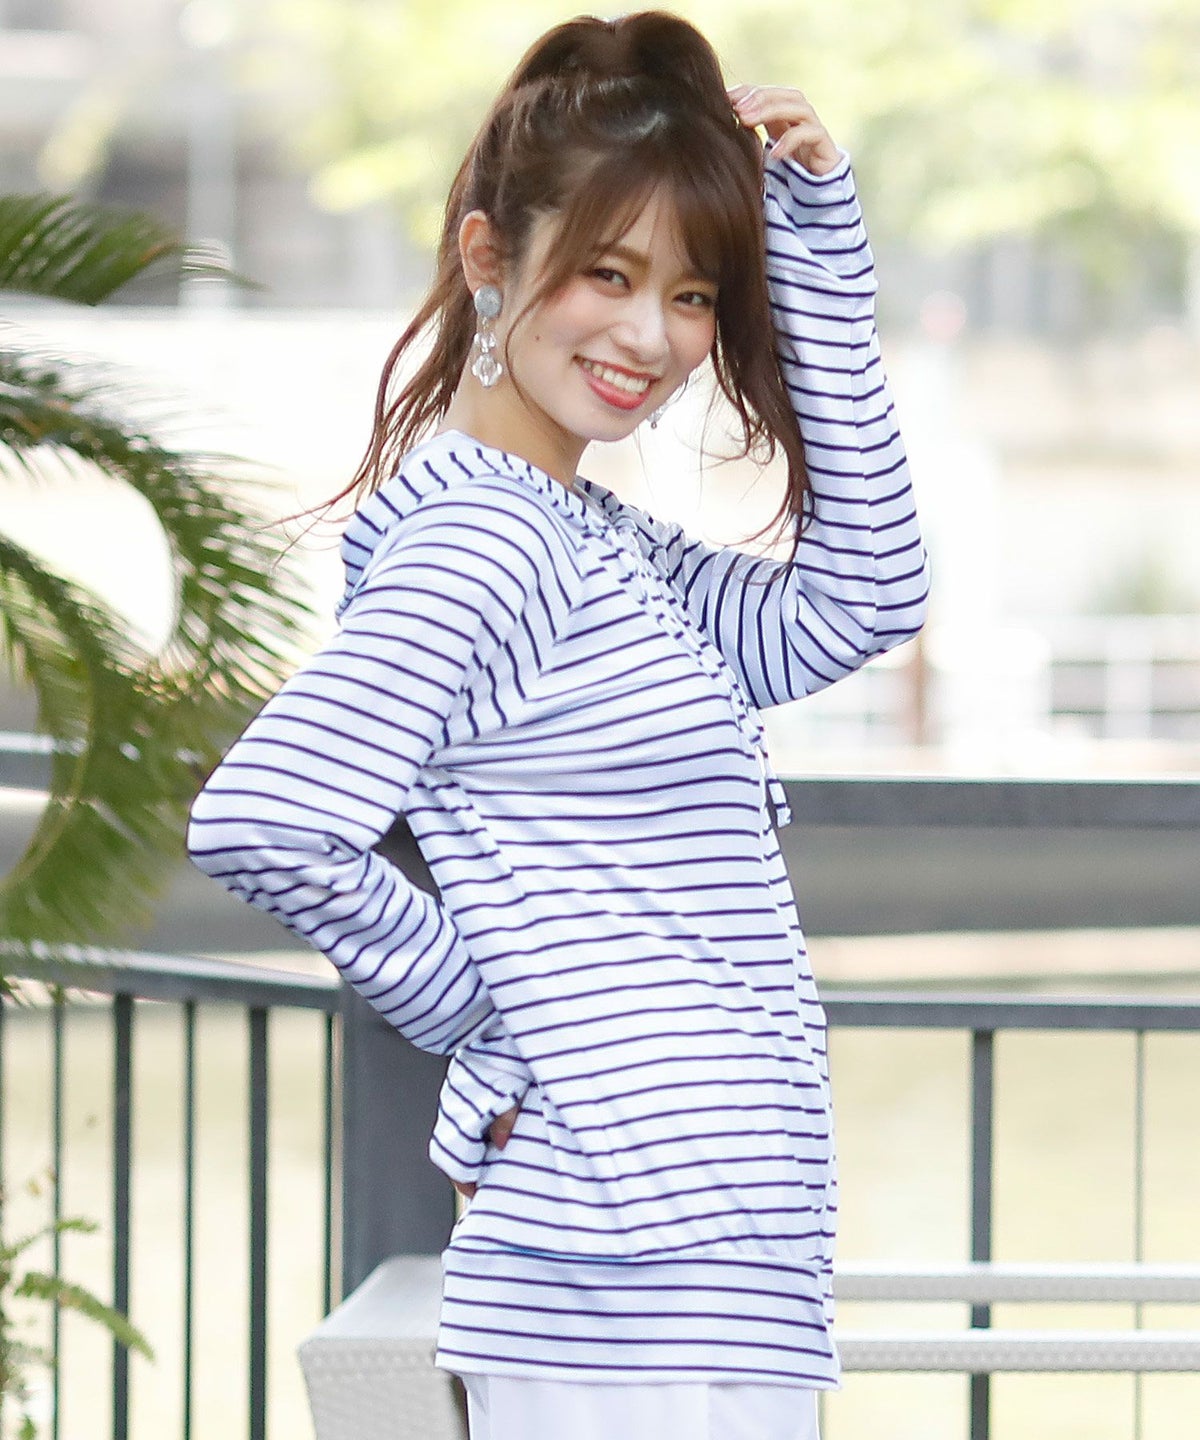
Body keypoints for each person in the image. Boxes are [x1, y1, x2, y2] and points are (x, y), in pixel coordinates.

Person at [188, 12, 929, 1439]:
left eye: (696, 293)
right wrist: (507, 1021)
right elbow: (266, 819)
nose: (652, 337)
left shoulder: (598, 544)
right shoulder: (487, 544)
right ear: (488, 257)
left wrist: (819, 256)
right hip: (617, 1266)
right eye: (609, 273)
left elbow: (866, 595)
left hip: (710, 1259)